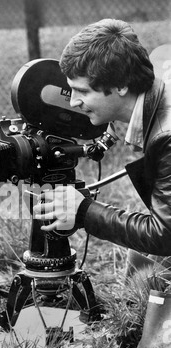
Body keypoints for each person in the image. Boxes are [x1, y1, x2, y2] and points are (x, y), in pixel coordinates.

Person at [33, 18, 171, 282]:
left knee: (149, 278)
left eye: (82, 91)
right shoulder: (158, 89)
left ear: (121, 85)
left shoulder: (167, 136)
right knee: (140, 265)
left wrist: (84, 211)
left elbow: (165, 235)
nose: (73, 101)